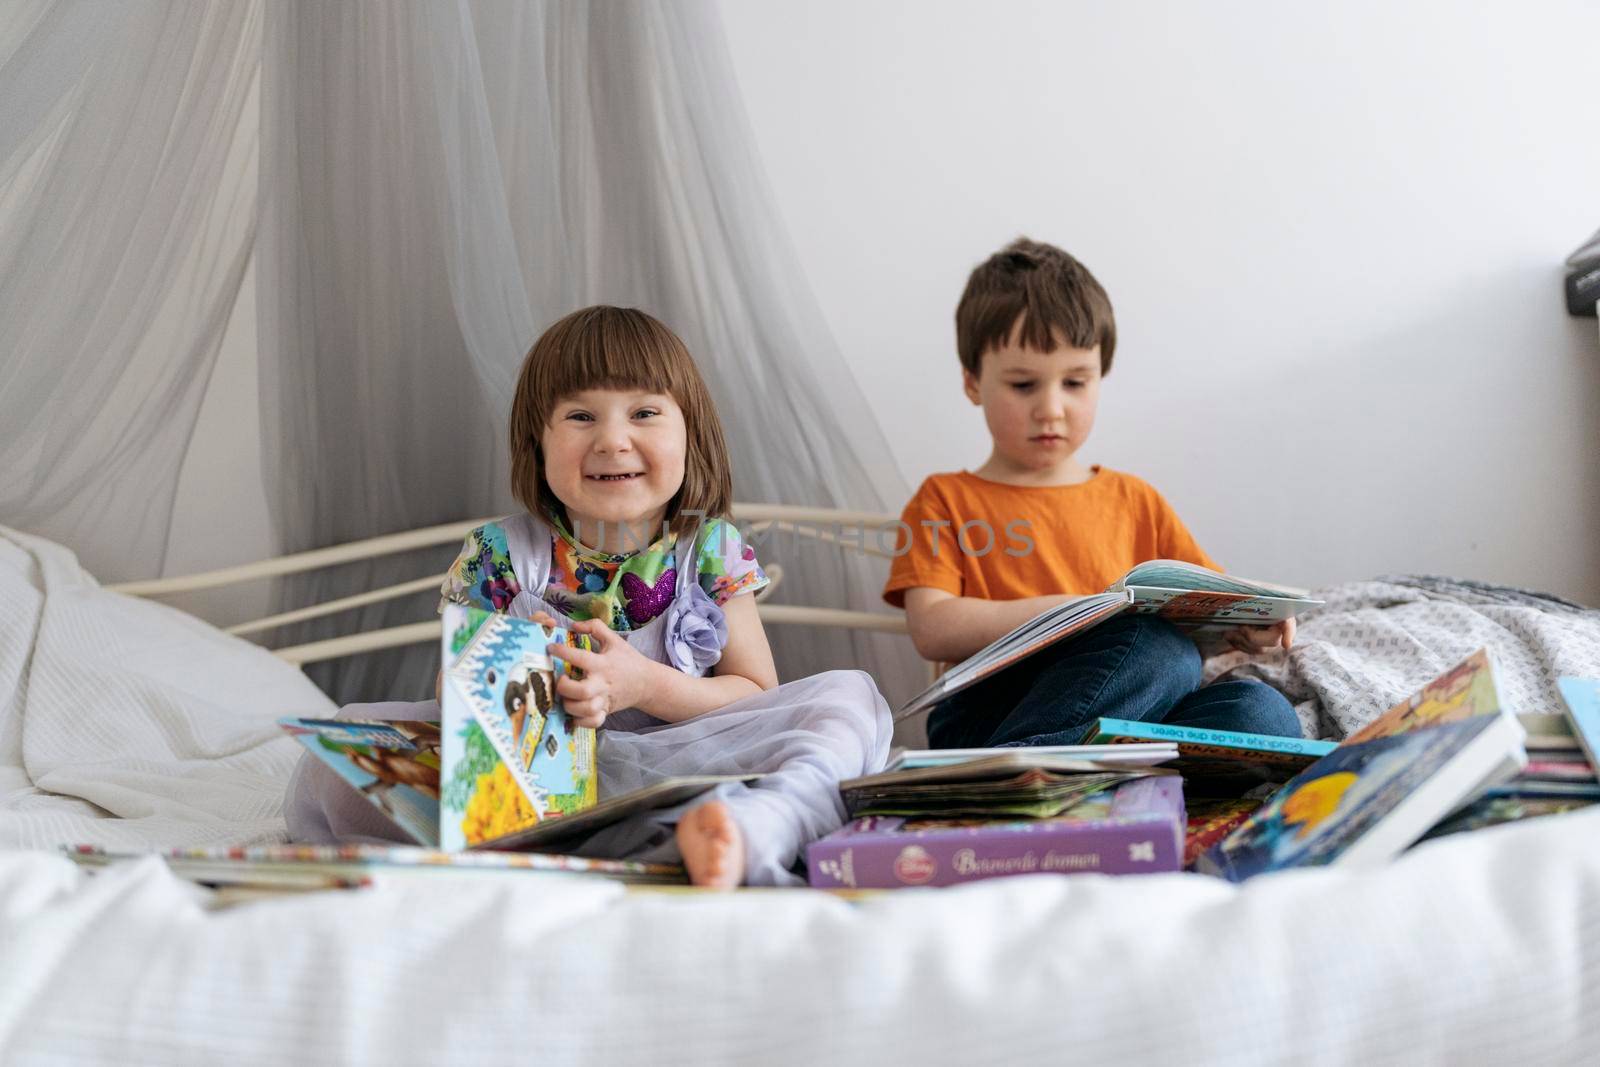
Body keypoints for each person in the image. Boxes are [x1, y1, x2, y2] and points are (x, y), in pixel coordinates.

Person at [287, 305, 892, 886]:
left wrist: (646, 685)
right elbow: (453, 688)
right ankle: (583, 841)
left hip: (686, 763)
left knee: (843, 704)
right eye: (580, 416)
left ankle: (756, 828)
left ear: (692, 433)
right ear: (537, 441)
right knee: (346, 743)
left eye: (645, 413)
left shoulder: (710, 549)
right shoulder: (500, 554)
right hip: (532, 775)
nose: (612, 440)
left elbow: (758, 693)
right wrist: (513, 686)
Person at [884, 237, 1302, 749]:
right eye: (1023, 385)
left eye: (1075, 383)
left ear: (1099, 376)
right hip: (991, 713)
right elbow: (933, 628)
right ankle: (1016, 768)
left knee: (1263, 714)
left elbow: (1206, 609)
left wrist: (1246, 625)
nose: (1052, 409)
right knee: (1156, 651)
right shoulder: (943, 498)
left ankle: (1087, 779)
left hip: (1128, 711)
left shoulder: (1134, 498)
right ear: (973, 383)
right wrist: (1084, 611)